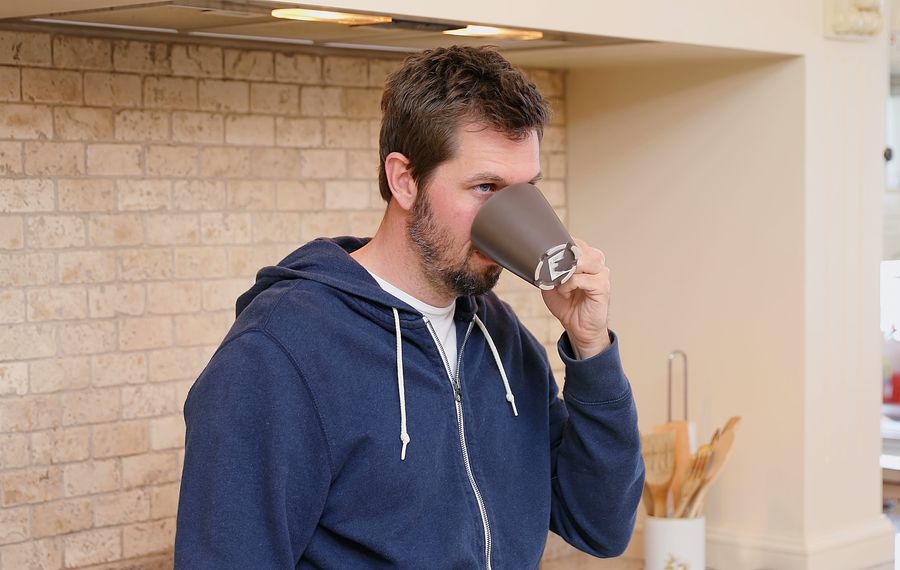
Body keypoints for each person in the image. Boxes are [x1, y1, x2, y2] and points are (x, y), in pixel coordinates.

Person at [174, 45, 645, 569]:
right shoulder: (278, 354)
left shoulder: (495, 332)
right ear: (404, 179)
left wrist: (591, 348)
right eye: (485, 187)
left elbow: (600, 524)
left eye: (525, 189)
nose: (509, 216)